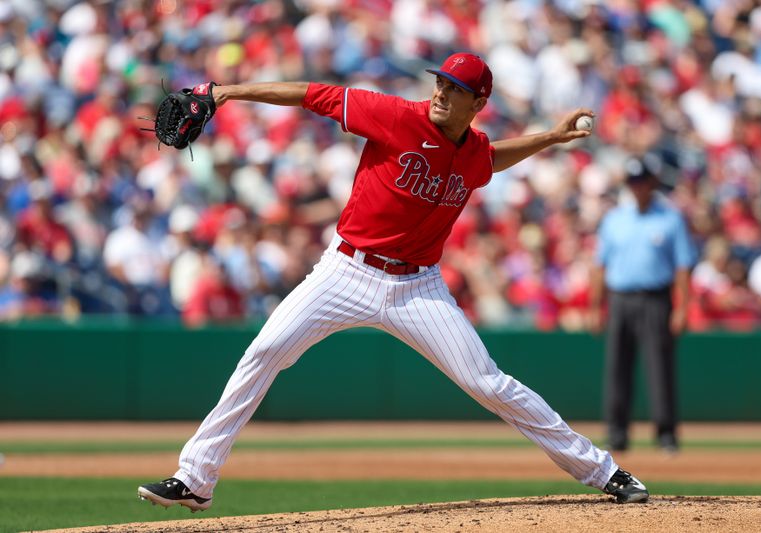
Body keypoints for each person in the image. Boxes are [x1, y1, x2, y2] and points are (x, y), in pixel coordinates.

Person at [137, 53, 649, 511]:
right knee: (265, 352)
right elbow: (309, 93)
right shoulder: (395, 116)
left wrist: (551, 137)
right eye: (440, 83)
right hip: (345, 271)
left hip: (418, 288)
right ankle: (195, 478)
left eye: (455, 89)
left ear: (478, 102)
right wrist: (225, 92)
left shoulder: (472, 151)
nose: (441, 93)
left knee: (487, 383)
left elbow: (489, 161)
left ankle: (604, 471)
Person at [588, 155, 695, 453]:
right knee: (617, 367)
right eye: (632, 182)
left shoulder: (670, 218)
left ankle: (666, 433)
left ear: (652, 183)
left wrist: (683, 307)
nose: (637, 187)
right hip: (620, 297)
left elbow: (683, 266)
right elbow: (599, 266)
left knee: (660, 367)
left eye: (641, 181)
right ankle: (617, 432)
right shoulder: (615, 219)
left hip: (656, 298)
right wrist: (595, 307)